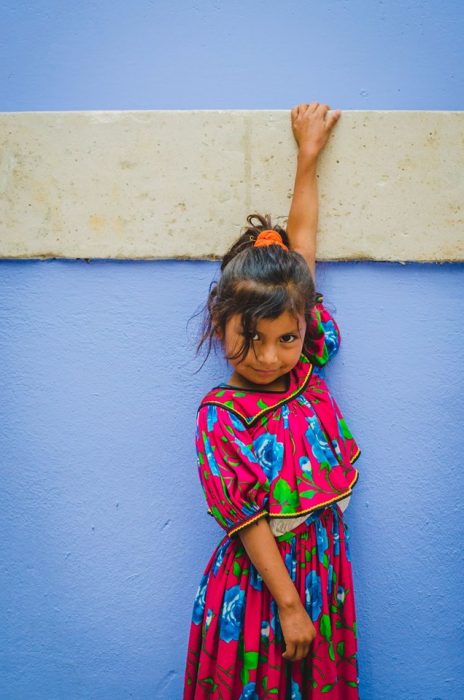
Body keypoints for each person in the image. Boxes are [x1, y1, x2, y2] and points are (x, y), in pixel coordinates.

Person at [184, 103, 361, 699]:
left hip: (323, 574)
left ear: (305, 326)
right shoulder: (221, 417)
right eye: (249, 338)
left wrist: (307, 157)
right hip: (264, 590)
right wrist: (288, 604)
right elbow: (247, 518)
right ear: (219, 324)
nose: (268, 356)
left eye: (286, 338)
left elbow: (303, 248)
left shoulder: (306, 365)